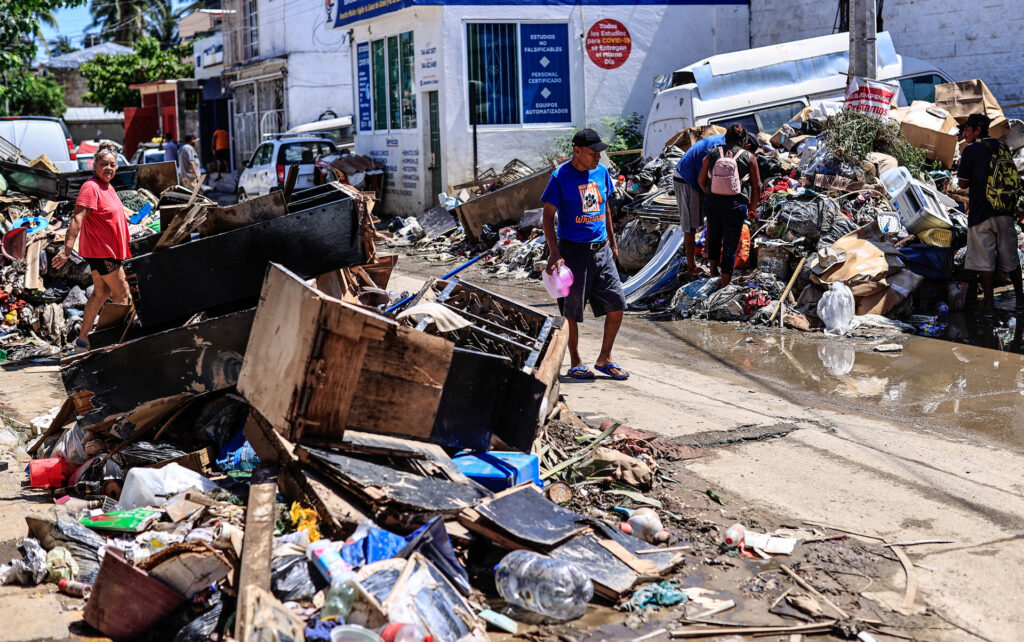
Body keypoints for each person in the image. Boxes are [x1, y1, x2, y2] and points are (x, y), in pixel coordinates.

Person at [542, 129, 629, 381]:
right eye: (592, 153)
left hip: (600, 249)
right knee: (571, 311)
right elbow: (548, 218)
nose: (597, 158)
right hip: (573, 252)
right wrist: (555, 252)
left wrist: (612, 243)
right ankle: (576, 362)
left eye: (599, 153)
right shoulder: (559, 177)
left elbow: (605, 209)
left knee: (617, 304)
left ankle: (605, 358)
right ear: (577, 151)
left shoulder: (601, 173)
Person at [51, 147, 131, 352]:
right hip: (103, 251)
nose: (108, 168)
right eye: (104, 164)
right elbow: (77, 218)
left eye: (112, 164)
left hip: (106, 250)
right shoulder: (91, 187)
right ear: (94, 165)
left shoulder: (107, 187)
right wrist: (66, 251)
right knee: (122, 294)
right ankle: (112, 341)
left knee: (101, 292)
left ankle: (83, 340)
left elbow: (107, 213)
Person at [957, 113, 1024, 317]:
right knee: (1011, 259)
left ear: (978, 130)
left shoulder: (970, 151)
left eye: (968, 129)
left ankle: (989, 308)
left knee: (985, 263)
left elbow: (962, 183)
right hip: (1004, 213)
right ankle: (1021, 302)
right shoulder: (1002, 147)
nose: (965, 133)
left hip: (981, 216)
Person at [697, 124, 761, 287]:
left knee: (714, 236)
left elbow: (700, 179)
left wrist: (710, 193)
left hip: (713, 202)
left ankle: (713, 273)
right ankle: (725, 284)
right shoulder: (749, 157)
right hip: (736, 205)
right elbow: (757, 185)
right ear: (743, 140)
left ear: (726, 137)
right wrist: (752, 208)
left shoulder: (713, 153)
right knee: (730, 244)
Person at [673, 130, 725, 276]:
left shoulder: (725, 141)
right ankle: (691, 267)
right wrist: (709, 193)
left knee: (710, 215)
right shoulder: (721, 147)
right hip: (686, 178)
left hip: (695, 176)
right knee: (690, 226)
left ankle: (707, 253)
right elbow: (705, 172)